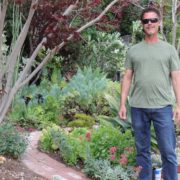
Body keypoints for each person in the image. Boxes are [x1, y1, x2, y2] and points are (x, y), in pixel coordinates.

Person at [119, 7, 180, 180]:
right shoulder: (133, 50)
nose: (150, 24)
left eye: (153, 20)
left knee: (168, 151)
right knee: (142, 151)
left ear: (159, 23)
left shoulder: (169, 50)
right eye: (146, 21)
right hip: (138, 108)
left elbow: (176, 79)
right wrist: (123, 103)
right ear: (142, 24)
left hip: (162, 108)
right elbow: (127, 78)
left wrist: (179, 105)